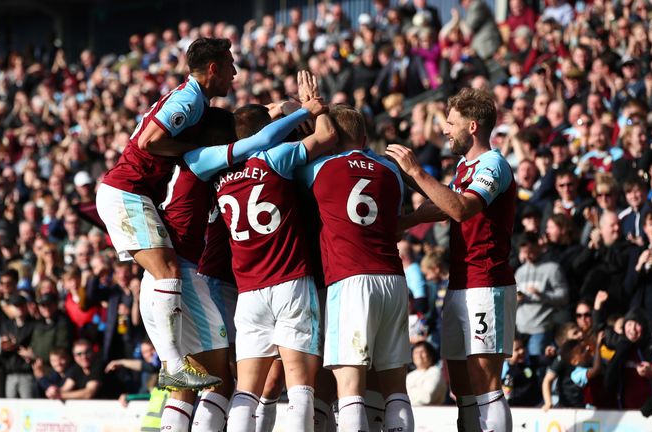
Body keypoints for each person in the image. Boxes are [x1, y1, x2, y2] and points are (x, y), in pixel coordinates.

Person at [185, 72, 335, 432]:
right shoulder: (275, 159)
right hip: (289, 281)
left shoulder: (217, 175)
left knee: (244, 390)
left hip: (249, 291)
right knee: (300, 385)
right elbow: (327, 137)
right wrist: (312, 106)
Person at [96, 37, 236, 391]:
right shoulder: (189, 99)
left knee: (165, 273)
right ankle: (172, 364)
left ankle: (172, 363)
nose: (234, 74)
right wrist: (195, 150)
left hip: (131, 193)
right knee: (169, 270)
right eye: (230, 66)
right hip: (127, 192)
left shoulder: (193, 100)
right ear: (213, 69)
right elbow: (149, 142)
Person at [388, 87, 516, 432]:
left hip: (486, 283)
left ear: (472, 126)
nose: (445, 129)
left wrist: (416, 172)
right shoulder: (464, 166)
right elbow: (443, 201)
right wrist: (406, 220)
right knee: (462, 388)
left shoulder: (494, 164)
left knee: (486, 385)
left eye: (450, 123)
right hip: (459, 283)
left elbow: (460, 209)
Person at [299, 104, 415, 432]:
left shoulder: (319, 168)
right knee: (396, 389)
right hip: (392, 279)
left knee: (350, 390)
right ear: (364, 138)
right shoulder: (391, 172)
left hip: (349, 281)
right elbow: (393, 224)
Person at [406, 341, 447, 406]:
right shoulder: (409, 376)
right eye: (416, 352)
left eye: (422, 352)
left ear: (431, 354)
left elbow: (427, 397)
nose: (419, 355)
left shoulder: (435, 372)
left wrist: (407, 394)